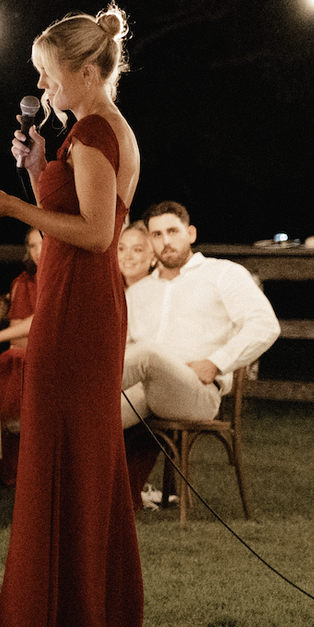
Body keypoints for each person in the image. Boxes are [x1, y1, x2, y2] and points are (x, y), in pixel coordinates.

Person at [0, 6, 145, 627]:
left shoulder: (94, 130)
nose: (41, 86)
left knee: (69, 448)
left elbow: (97, 236)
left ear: (86, 70)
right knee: (74, 450)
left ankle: (71, 620)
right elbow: (81, 215)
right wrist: (39, 168)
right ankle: (83, 615)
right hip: (83, 299)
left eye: (47, 73)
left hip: (79, 305)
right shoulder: (95, 130)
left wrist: (12, 207)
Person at [119, 201, 280, 490]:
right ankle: (84, 498)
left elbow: (265, 324)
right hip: (145, 392)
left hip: (197, 392)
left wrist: (217, 362)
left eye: (172, 231)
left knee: (147, 353)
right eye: (156, 235)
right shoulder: (139, 292)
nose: (166, 241)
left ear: (190, 233)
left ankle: (71, 398)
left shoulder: (222, 274)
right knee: (89, 420)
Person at [0, 230, 40, 486]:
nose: (39, 251)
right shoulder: (24, 282)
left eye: (44, 244)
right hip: (30, 354)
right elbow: (17, 339)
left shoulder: (68, 276)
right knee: (16, 358)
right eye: (33, 246)